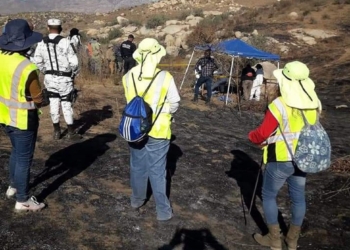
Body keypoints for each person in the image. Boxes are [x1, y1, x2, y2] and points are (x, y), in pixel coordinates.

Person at [248, 61, 322, 250]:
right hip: (304, 158)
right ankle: (292, 240)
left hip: (281, 158)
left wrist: (252, 138)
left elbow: (263, 133)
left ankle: (274, 241)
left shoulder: (279, 104)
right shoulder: (314, 104)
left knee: (268, 195)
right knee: (298, 198)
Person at [122, 38, 180, 221]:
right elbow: (175, 103)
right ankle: (163, 211)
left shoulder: (128, 76)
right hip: (159, 130)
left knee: (137, 166)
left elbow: (129, 101)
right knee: (157, 170)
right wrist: (163, 112)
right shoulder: (165, 77)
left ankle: (137, 200)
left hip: (135, 130)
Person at [0, 19, 49, 211]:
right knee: (24, 159)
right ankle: (22, 200)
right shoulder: (27, 68)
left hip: (4, 116)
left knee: (16, 152)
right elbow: (38, 99)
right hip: (23, 119)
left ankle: (13, 186)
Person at [33, 19, 80, 140]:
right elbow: (74, 63)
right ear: (60, 28)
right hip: (64, 77)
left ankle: (56, 131)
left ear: (48, 28)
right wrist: (72, 74)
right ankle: (70, 131)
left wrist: (45, 71)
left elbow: (37, 61)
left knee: (53, 103)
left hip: (49, 78)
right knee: (66, 103)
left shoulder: (41, 42)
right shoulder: (65, 42)